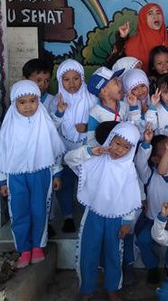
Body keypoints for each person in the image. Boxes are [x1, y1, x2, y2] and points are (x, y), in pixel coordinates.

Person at [64, 123, 142, 301]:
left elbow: (130, 197)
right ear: (110, 139)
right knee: (88, 252)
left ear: (131, 149)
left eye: (126, 147)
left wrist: (127, 222)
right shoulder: (96, 159)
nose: (119, 150)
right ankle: (86, 289)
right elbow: (69, 159)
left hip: (116, 217)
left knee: (113, 255)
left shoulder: (129, 169)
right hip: (93, 214)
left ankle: (112, 288)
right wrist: (89, 152)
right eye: (117, 143)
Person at [0, 80, 65, 268]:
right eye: (22, 102)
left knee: (40, 210)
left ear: (38, 101)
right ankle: (24, 249)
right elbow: (1, 154)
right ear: (14, 103)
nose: (28, 106)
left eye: (33, 101)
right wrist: (2, 181)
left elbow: (54, 149)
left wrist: (56, 174)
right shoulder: (10, 125)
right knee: (19, 211)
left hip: (42, 173)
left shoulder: (44, 121)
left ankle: (38, 246)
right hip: (15, 176)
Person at [51, 60, 96, 233]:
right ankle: (68, 217)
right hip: (64, 151)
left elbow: (100, 121)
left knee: (86, 184)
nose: (72, 83)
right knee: (66, 185)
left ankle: (87, 216)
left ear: (82, 78)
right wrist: (60, 111)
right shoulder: (56, 101)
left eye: (76, 78)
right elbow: (51, 128)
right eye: (66, 79)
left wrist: (87, 127)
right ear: (60, 81)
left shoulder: (91, 99)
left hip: (85, 149)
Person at [134, 128, 168, 285]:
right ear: (156, 159)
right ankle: (151, 266)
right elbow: (139, 163)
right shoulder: (150, 174)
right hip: (152, 221)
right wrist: (146, 143)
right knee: (142, 240)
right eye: (166, 149)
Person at [82, 67, 139, 146]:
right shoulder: (95, 113)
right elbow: (91, 140)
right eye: (116, 82)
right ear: (104, 92)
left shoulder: (124, 105)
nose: (120, 84)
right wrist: (103, 150)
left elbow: (134, 127)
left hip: (125, 149)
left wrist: (133, 107)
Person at [111, 2, 168, 73]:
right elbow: (114, 63)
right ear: (143, 19)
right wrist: (121, 38)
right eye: (150, 14)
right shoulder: (132, 44)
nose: (155, 17)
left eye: (158, 13)